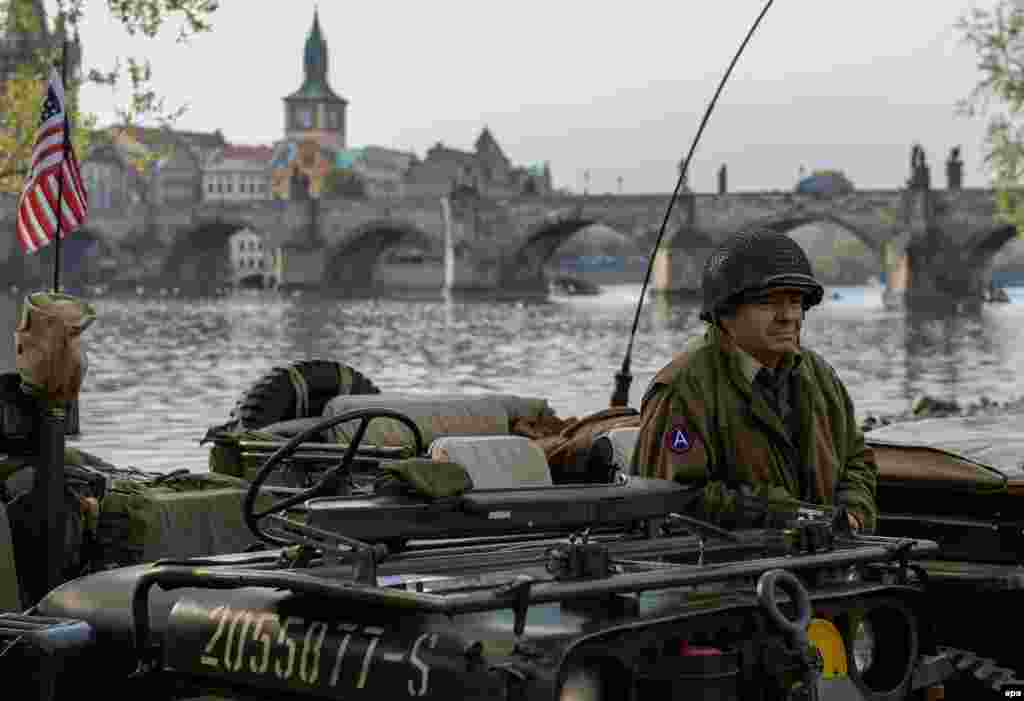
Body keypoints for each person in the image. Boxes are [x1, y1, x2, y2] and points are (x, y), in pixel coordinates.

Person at [631, 227, 877, 533]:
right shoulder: (682, 390)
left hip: (823, 564)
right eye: (769, 303)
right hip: (726, 573)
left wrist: (852, 513)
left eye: (796, 301)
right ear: (726, 312)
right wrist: (789, 516)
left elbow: (857, 459)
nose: (789, 316)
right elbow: (674, 498)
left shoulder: (820, 376)